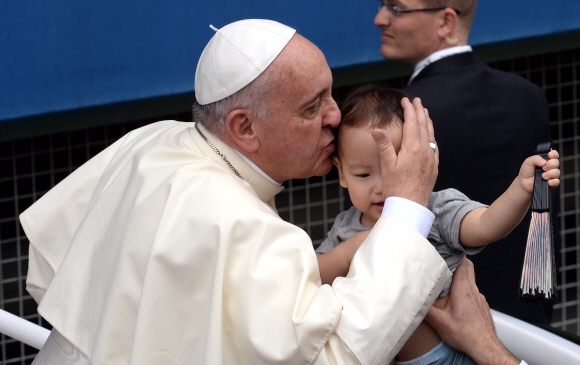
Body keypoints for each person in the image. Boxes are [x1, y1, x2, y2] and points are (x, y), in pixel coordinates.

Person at [21, 19, 522, 364]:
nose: (334, 116)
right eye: (312, 106)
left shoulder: (149, 142)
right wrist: (408, 205)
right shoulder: (233, 221)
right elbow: (336, 354)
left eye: (330, 91)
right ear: (245, 129)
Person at [315, 84, 560, 365]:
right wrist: (347, 254)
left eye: (395, 169)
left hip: (451, 355)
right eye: (363, 174)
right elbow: (311, 275)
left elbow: (487, 225)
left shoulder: (436, 208)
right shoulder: (345, 228)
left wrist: (521, 189)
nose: (380, 187)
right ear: (341, 173)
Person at [373, 0, 556, 324]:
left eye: (396, 9)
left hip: (443, 325)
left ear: (445, 22)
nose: (380, 19)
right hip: (530, 313)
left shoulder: (405, 115)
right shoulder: (527, 95)